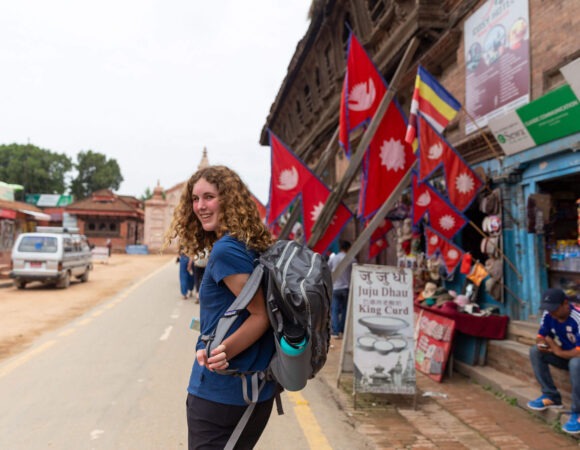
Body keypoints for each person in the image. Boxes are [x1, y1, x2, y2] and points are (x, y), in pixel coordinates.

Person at [164, 165, 276, 449]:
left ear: (228, 199)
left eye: (208, 197)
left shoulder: (226, 250)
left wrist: (221, 352)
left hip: (220, 394)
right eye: (195, 199)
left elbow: (260, 315)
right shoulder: (251, 245)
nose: (199, 206)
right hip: (254, 392)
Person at [527, 288, 580, 434]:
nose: (551, 313)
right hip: (567, 358)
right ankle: (551, 396)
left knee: (576, 363)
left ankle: (578, 412)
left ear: (565, 303)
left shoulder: (578, 318)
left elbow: (578, 353)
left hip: (575, 359)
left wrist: (557, 351)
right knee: (535, 351)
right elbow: (541, 335)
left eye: (554, 309)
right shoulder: (549, 314)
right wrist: (541, 343)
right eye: (548, 309)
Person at [327, 240, 354, 339]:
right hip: (346, 287)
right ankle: (343, 330)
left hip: (336, 287)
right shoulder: (351, 259)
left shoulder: (334, 258)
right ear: (348, 248)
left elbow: (327, 269)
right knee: (345, 310)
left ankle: (336, 331)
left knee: (334, 309)